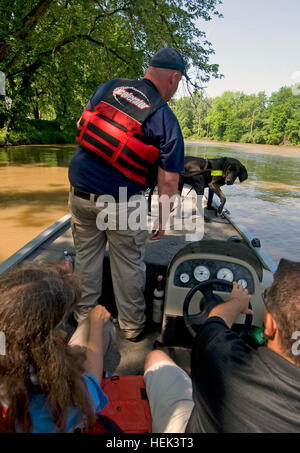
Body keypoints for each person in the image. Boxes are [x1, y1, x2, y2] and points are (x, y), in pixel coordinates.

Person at [68, 47, 186, 341]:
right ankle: (132, 327)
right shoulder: (164, 117)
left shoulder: (109, 87)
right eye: (179, 82)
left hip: (80, 195)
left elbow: (84, 125)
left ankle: (84, 319)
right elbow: (169, 181)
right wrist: (161, 217)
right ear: (173, 77)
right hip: (120, 204)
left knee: (86, 259)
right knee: (129, 265)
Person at [144, 259, 300, 433]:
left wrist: (236, 303)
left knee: (156, 357)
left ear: (270, 324)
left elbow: (215, 321)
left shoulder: (223, 358)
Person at [0, 262, 113, 433]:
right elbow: (91, 386)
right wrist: (96, 325)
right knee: (102, 328)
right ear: (45, 336)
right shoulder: (64, 389)